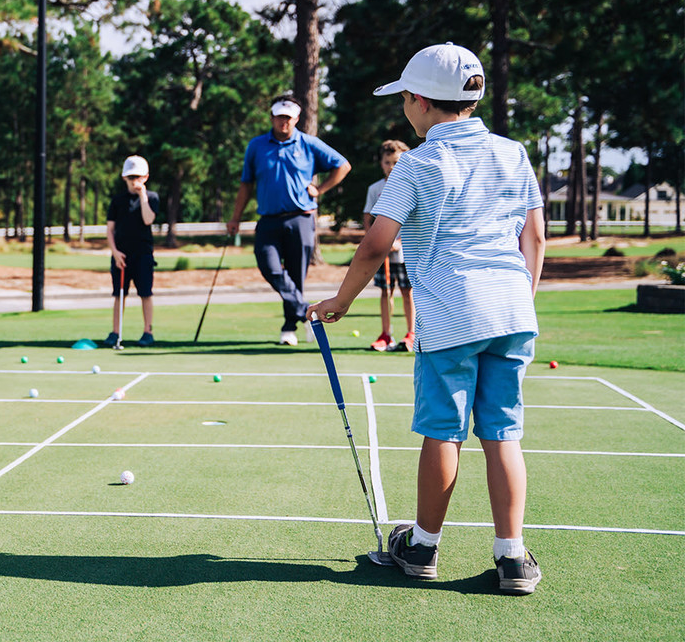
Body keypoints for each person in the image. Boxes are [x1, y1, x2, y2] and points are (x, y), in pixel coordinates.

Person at [308, 42, 546, 595]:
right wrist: (520, 299)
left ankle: (421, 548)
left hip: (452, 313)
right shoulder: (513, 153)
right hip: (512, 309)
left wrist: (339, 302)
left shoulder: (416, 163)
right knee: (503, 433)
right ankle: (512, 557)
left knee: (443, 432)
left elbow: (375, 245)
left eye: (404, 101)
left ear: (418, 101)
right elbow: (533, 237)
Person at [226, 96, 351, 345]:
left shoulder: (308, 143)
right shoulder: (257, 146)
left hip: (301, 219)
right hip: (269, 220)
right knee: (268, 265)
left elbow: (343, 165)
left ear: (296, 119)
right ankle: (305, 311)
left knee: (295, 276)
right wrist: (235, 218)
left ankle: (288, 328)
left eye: (288, 117)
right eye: (279, 117)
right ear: (271, 118)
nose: (284, 121)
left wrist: (321, 189)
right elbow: (245, 184)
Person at [363, 140, 416, 352]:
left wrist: (399, 242)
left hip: (405, 253)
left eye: (396, 162)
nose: (391, 166)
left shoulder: (411, 184)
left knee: (407, 291)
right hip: (383, 254)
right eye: (387, 162)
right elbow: (369, 217)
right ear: (382, 163)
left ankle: (411, 333)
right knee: (385, 292)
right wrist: (378, 242)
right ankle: (386, 334)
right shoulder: (375, 189)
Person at [104, 154, 159, 347]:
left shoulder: (151, 198)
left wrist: (143, 195)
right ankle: (115, 332)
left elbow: (148, 219)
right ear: (124, 178)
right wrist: (115, 252)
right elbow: (110, 230)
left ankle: (147, 331)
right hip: (121, 256)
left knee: (145, 293)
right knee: (119, 294)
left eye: (138, 177)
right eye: (130, 177)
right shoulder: (118, 201)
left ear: (145, 177)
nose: (134, 181)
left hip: (143, 254)